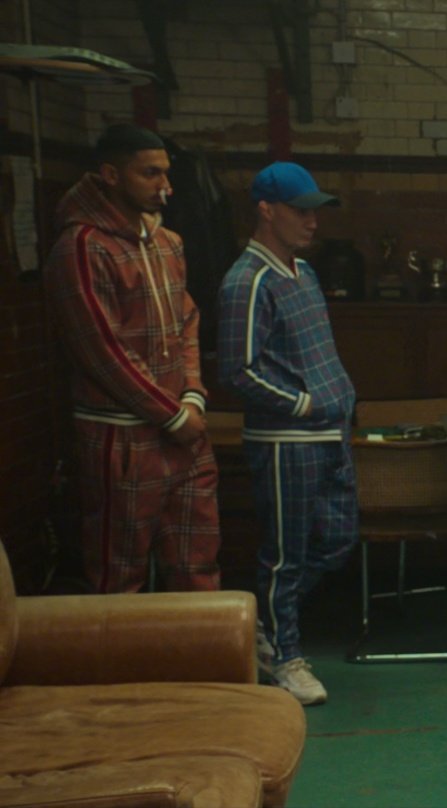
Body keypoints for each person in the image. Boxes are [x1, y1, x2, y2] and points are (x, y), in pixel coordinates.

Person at [46, 123, 220, 594]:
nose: (166, 186)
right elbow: (101, 350)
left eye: (166, 173)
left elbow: (187, 321)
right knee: (118, 577)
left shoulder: (168, 243)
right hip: (121, 436)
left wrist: (192, 396)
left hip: (185, 432)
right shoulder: (82, 247)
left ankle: (200, 646)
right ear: (110, 175)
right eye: (150, 173)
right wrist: (172, 415)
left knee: (197, 567)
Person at [217, 161, 357, 706]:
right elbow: (237, 371)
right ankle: (282, 654)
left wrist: (338, 401)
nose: (312, 221)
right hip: (286, 442)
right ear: (266, 210)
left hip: (330, 435)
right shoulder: (246, 281)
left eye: (315, 211)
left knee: (337, 541)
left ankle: (265, 625)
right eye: (300, 211)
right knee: (285, 556)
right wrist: (303, 403)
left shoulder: (305, 272)